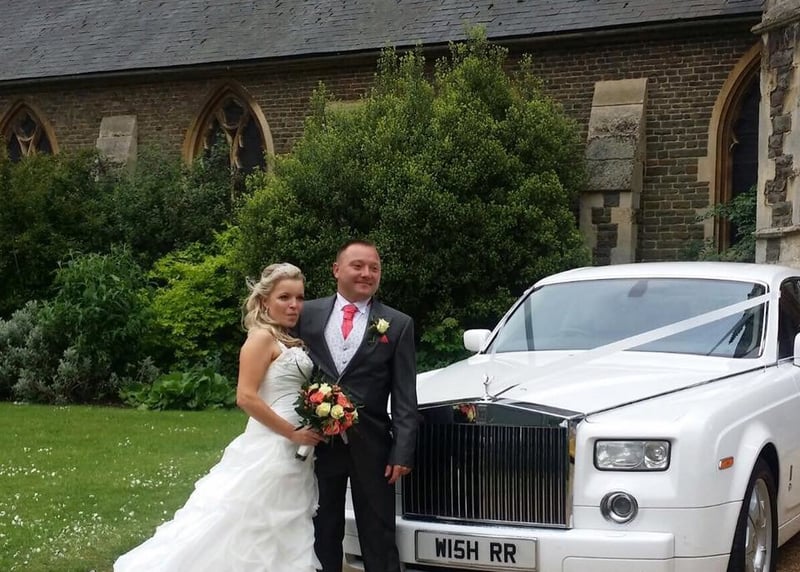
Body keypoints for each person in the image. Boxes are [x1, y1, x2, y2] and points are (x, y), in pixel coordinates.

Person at [114, 263, 324, 572]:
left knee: (280, 523)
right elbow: (246, 397)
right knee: (248, 519)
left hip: (297, 446)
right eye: (284, 297)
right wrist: (292, 433)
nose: (294, 305)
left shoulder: (285, 339)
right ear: (264, 300)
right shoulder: (261, 338)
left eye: (299, 298)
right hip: (273, 442)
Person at [295, 239, 418, 572]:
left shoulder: (398, 323)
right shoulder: (306, 314)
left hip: (373, 445)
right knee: (322, 528)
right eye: (358, 266)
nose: (367, 273)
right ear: (336, 270)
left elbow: (405, 395)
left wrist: (402, 451)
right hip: (318, 443)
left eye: (374, 268)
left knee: (378, 531)